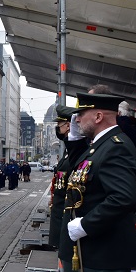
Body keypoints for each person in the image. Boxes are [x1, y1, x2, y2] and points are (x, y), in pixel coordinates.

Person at [59, 93, 136, 272]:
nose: (76, 119)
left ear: (98, 115)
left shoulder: (117, 147)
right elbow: (82, 170)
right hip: (89, 255)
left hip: (102, 255)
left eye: (81, 114)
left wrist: (86, 225)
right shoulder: (98, 146)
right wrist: (73, 139)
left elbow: (123, 197)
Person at [48, 106, 88, 249]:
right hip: (59, 207)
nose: (57, 129)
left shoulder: (78, 148)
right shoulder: (67, 148)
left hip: (65, 207)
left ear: (68, 125)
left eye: (59, 125)